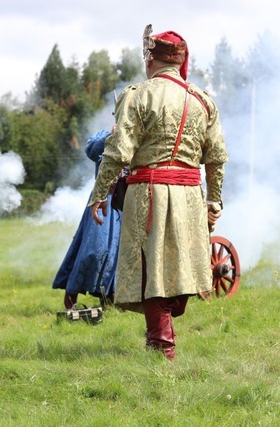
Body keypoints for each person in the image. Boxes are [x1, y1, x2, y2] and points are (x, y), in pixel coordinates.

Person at [89, 25, 228, 360]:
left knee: (151, 269)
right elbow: (217, 156)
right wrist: (213, 200)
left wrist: (99, 193)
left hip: (148, 194)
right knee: (176, 268)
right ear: (180, 61)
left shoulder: (137, 94)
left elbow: (118, 151)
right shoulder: (202, 100)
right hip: (190, 197)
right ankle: (161, 339)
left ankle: (162, 348)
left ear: (151, 58)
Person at [53, 127, 121, 309]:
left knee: (119, 254)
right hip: (102, 198)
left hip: (127, 199)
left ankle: (110, 299)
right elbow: (92, 151)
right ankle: (71, 298)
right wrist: (111, 135)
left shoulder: (137, 133)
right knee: (93, 251)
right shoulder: (104, 134)